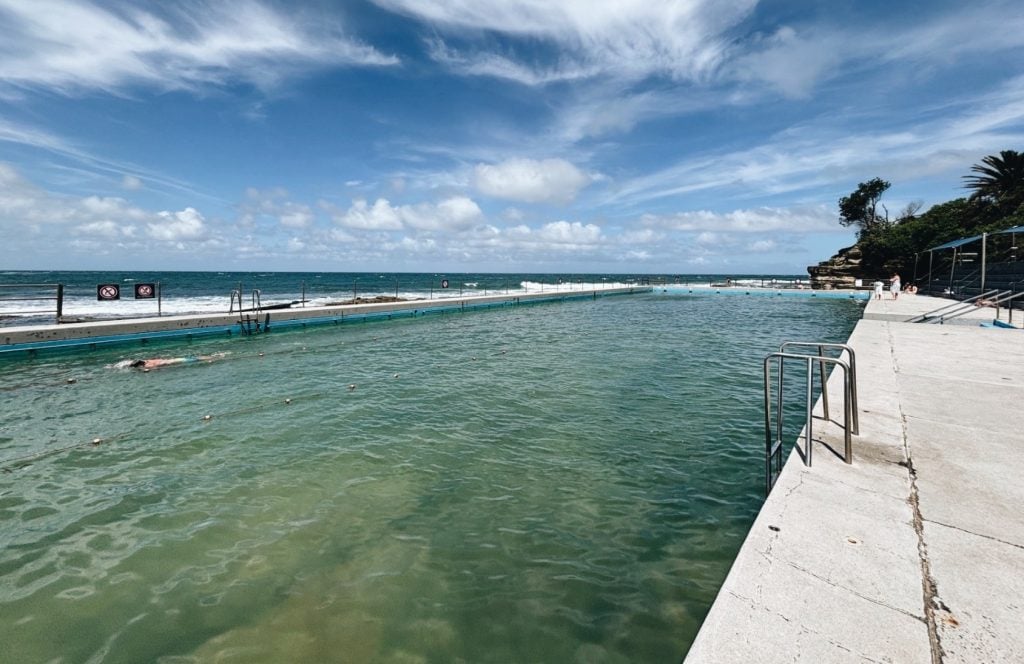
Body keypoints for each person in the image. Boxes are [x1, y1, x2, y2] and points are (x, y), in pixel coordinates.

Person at [115, 352, 225, 370]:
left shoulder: (149, 365)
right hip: (174, 360)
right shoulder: (147, 361)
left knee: (196, 360)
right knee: (195, 358)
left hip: (176, 362)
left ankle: (215, 357)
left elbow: (156, 369)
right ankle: (214, 356)